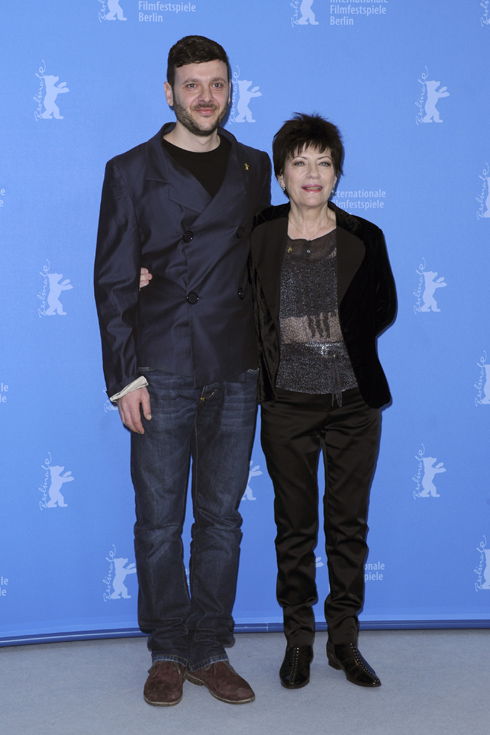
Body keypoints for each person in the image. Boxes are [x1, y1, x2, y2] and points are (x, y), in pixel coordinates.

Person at [94, 35, 271, 707]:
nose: (206, 97)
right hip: (160, 365)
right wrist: (124, 376)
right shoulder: (129, 170)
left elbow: (266, 263)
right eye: (192, 85)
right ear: (169, 92)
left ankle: (209, 647)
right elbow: (112, 280)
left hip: (234, 368)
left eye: (217, 84)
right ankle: (167, 648)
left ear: (231, 91)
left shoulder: (256, 168)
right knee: (159, 521)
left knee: (222, 519)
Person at [250, 114, 396, 689]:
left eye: (324, 163)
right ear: (282, 175)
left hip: (353, 405)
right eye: (299, 163)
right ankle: (298, 642)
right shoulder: (260, 232)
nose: (312, 174)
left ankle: (344, 642)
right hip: (286, 405)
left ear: (336, 174)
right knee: (294, 528)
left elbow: (382, 308)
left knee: (347, 526)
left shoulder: (365, 236)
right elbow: (223, 289)